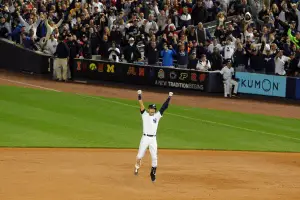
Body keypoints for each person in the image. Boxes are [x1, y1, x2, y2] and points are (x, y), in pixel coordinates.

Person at [134, 90, 173, 182]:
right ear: (149, 109)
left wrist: (169, 97)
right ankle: (136, 167)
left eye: (153, 109)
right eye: (151, 109)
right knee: (139, 156)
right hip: (145, 138)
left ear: (155, 110)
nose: (152, 110)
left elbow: (164, 107)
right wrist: (139, 95)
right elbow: (141, 104)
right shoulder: (144, 114)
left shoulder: (157, 116)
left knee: (154, 157)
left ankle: (153, 173)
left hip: (153, 139)